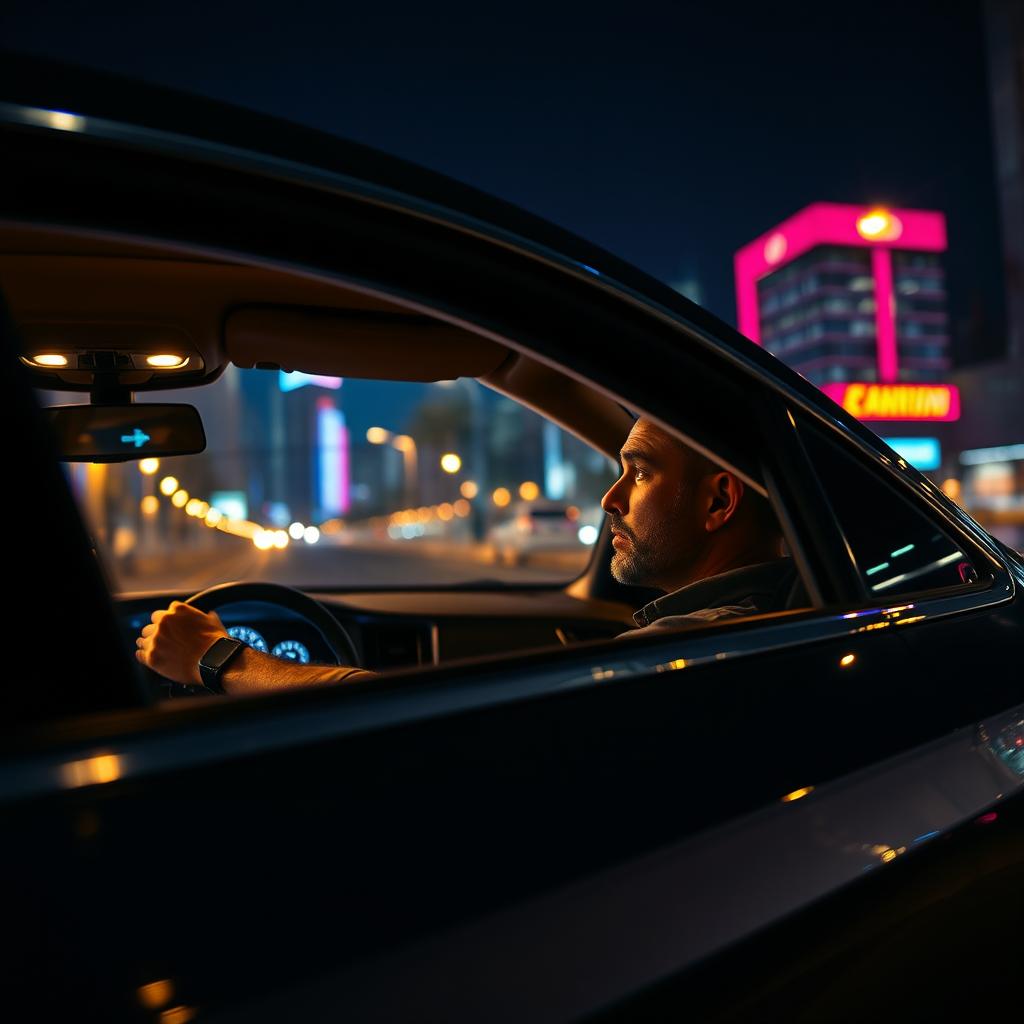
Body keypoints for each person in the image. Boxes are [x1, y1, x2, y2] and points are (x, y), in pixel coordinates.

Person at [135, 418, 794, 693]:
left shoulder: (699, 647)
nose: (609, 498)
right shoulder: (741, 624)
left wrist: (219, 657)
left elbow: (434, 735)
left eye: (640, 473)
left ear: (718, 503)